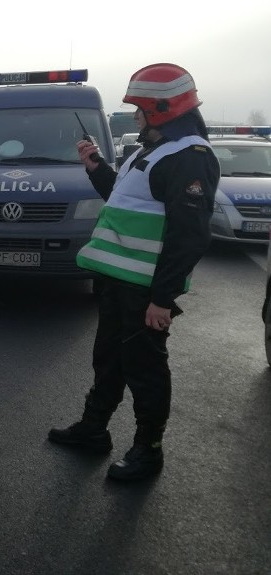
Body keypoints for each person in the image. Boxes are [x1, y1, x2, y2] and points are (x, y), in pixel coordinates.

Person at [48, 63, 221, 481]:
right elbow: (123, 202)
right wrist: (95, 167)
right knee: (108, 359)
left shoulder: (190, 158)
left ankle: (149, 450)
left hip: (146, 290)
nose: (136, 117)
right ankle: (94, 429)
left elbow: (189, 235)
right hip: (118, 283)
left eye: (140, 110)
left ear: (162, 110)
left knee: (145, 370)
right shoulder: (150, 152)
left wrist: (163, 299)